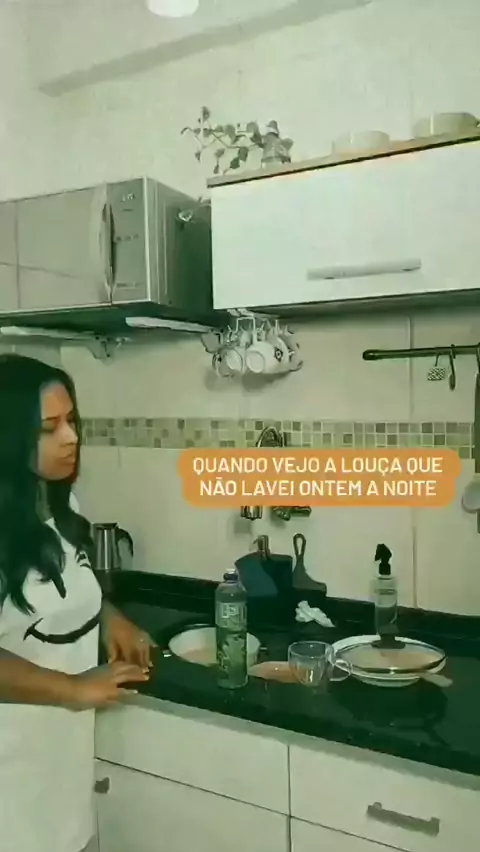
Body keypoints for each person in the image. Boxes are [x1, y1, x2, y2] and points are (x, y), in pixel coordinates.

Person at [0, 353, 156, 852]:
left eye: (71, 421)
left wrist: (109, 618)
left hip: (57, 768)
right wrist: (72, 687)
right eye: (49, 428)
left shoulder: (58, 504)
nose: (71, 437)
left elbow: (58, 588)